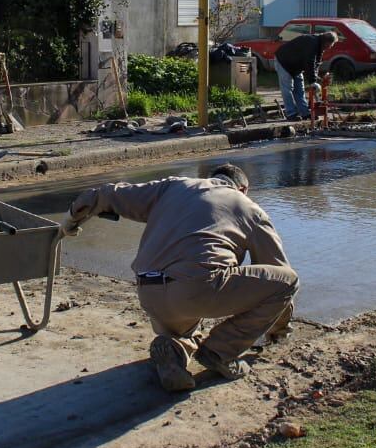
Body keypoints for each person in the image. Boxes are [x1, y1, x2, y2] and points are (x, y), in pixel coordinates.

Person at [64, 163, 298, 392]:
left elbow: (105, 194)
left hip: (148, 290)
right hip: (195, 289)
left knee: (187, 319)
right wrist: (279, 329)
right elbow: (278, 274)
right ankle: (220, 351)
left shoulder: (174, 187)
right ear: (244, 189)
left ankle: (173, 349)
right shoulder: (249, 208)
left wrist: (69, 222)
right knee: (289, 281)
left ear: (209, 178)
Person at [274, 31, 337, 121]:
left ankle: (305, 113)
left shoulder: (319, 45)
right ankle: (291, 113)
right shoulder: (312, 43)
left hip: (296, 64)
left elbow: (316, 63)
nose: (330, 48)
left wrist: (314, 79)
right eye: (330, 45)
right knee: (287, 89)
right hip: (284, 61)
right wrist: (312, 81)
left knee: (300, 89)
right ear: (327, 42)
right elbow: (310, 62)